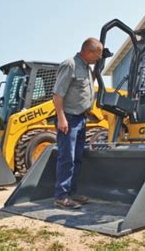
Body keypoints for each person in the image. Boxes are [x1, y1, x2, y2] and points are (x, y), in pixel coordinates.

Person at [52, 37, 103, 209]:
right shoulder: (70, 65)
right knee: (67, 158)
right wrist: (61, 118)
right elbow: (58, 95)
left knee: (77, 158)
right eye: (98, 54)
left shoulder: (87, 68)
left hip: (81, 118)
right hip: (69, 118)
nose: (99, 58)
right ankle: (61, 196)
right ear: (88, 52)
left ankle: (72, 193)